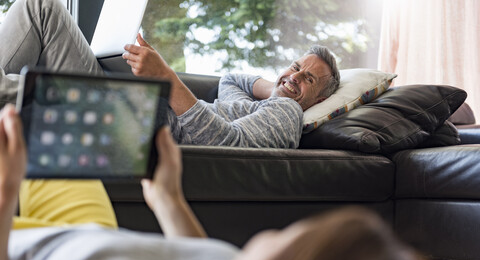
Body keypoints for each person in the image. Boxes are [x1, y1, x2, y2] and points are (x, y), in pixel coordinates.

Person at [0, 104, 459, 260]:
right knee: (38, 134)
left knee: (12, 131)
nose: (280, 235)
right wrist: (169, 200)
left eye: (285, 242)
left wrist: (6, 194)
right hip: (94, 234)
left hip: (20, 250)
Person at [0, 0, 340, 149]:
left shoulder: (287, 114)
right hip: (127, 106)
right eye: (296, 67)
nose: (296, 76)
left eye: (308, 79)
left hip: (128, 123)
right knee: (42, 7)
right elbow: (231, 80)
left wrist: (166, 78)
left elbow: (227, 143)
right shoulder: (259, 107)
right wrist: (281, 85)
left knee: (39, 20)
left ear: (321, 99)